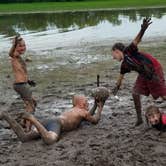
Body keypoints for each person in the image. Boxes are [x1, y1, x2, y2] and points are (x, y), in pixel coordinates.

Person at [111, 17, 166, 126]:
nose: (113, 58)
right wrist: (116, 88)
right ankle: (139, 119)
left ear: (117, 51)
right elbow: (120, 77)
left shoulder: (128, 51)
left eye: (113, 55)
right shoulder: (124, 65)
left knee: (162, 95)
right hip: (143, 74)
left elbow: (137, 40)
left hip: (152, 69)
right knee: (135, 93)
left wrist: (143, 29)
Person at [0, 94, 107, 145]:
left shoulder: (76, 110)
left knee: (24, 138)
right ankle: (32, 119)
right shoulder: (82, 112)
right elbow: (95, 120)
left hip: (48, 121)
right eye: (86, 102)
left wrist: (95, 106)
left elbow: (87, 116)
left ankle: (6, 116)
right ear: (79, 104)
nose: (88, 103)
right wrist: (100, 108)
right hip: (57, 124)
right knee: (50, 140)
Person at [9, 34, 36, 131]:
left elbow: (22, 72)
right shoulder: (14, 55)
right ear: (15, 47)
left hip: (23, 84)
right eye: (20, 46)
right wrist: (15, 42)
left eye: (24, 45)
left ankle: (23, 122)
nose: (23, 47)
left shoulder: (19, 58)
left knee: (33, 103)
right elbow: (11, 53)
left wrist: (29, 81)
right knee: (31, 106)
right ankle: (28, 128)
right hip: (20, 85)